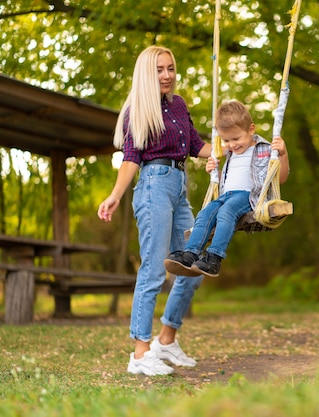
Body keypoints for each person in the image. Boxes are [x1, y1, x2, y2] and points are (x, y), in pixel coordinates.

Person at [97, 45, 211, 376]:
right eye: (159, 69)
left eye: (170, 68)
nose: (167, 75)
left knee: (194, 263)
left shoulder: (178, 105)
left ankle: (166, 340)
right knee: (153, 270)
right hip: (153, 185)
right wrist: (116, 194)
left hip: (179, 184)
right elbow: (131, 157)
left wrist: (224, 148)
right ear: (148, 73)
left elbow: (195, 146)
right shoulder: (138, 109)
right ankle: (140, 353)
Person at [163, 100, 290, 278]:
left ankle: (214, 257)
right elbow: (230, 179)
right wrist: (215, 172)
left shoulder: (265, 149)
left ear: (251, 130)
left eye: (236, 139)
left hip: (248, 196)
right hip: (226, 195)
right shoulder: (230, 153)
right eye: (226, 140)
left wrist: (283, 155)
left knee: (226, 212)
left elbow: (281, 178)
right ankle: (190, 254)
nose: (231, 145)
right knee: (205, 213)